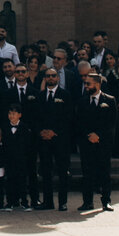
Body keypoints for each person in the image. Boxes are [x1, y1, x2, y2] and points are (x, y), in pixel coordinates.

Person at [74, 68, 115, 212]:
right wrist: (88, 136)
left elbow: (111, 123)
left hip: (103, 143)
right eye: (85, 84)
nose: (86, 87)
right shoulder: (82, 101)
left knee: (104, 172)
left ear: (97, 85)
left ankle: (106, 201)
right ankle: (87, 202)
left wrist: (99, 136)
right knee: (87, 173)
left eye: (89, 84)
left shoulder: (109, 100)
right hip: (87, 143)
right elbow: (78, 122)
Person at [34, 64, 72, 210]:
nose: (51, 78)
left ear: (58, 78)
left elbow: (68, 117)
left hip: (60, 140)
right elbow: (35, 117)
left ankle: (63, 202)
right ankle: (48, 201)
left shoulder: (65, 95)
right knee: (46, 171)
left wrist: (54, 132)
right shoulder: (40, 96)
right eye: (48, 76)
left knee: (63, 171)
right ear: (45, 78)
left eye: (53, 76)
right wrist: (41, 132)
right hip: (44, 140)